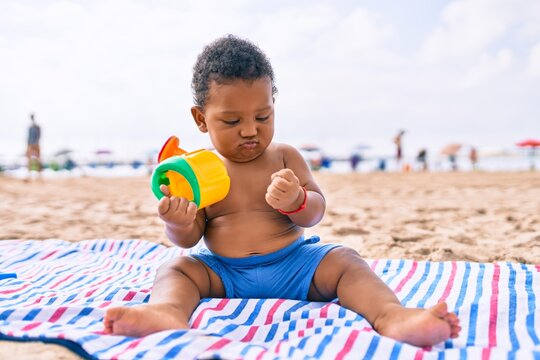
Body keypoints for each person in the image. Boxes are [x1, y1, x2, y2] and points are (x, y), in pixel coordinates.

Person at [103, 35, 460, 346]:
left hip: (295, 266)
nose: (249, 130)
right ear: (201, 119)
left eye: (263, 117)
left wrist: (298, 201)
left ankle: (391, 316)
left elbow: (316, 211)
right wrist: (178, 221)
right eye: (232, 121)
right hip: (225, 273)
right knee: (176, 270)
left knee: (346, 261)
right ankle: (167, 312)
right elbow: (190, 236)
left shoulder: (285, 156)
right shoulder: (198, 170)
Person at [26, 113, 42, 177]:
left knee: (37, 159)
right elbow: (29, 137)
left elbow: (39, 135)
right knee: (29, 160)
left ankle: (39, 174)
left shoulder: (36, 127)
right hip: (31, 144)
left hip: (35, 144)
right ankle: (29, 174)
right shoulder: (31, 127)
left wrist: (35, 143)